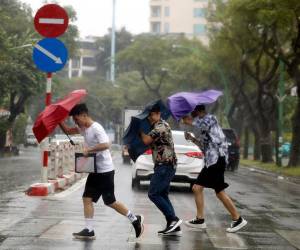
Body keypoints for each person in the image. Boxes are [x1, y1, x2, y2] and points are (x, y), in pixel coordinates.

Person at [61, 103, 144, 240]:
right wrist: (58, 121)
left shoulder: (96, 128)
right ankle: (89, 230)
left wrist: (89, 150)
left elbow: (106, 144)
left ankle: (135, 219)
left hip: (105, 171)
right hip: (95, 170)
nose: (76, 122)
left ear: (84, 115)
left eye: (77, 119)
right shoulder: (83, 129)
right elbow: (69, 131)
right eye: (74, 121)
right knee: (86, 198)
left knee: (110, 201)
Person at [181, 104, 247, 233]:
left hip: (216, 160)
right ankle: (236, 218)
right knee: (218, 191)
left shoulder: (211, 119)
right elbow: (205, 147)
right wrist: (192, 139)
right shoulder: (205, 127)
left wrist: (189, 121)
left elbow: (201, 125)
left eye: (193, 113)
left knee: (197, 188)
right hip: (213, 160)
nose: (191, 116)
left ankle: (201, 219)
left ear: (199, 112)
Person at [140, 104, 182, 236]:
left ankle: (173, 219)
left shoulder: (161, 126)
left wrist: (140, 131)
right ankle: (172, 223)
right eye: (149, 116)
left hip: (165, 165)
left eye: (151, 115)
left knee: (153, 193)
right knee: (162, 194)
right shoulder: (158, 126)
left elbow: (146, 140)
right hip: (164, 165)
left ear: (158, 114)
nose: (150, 118)